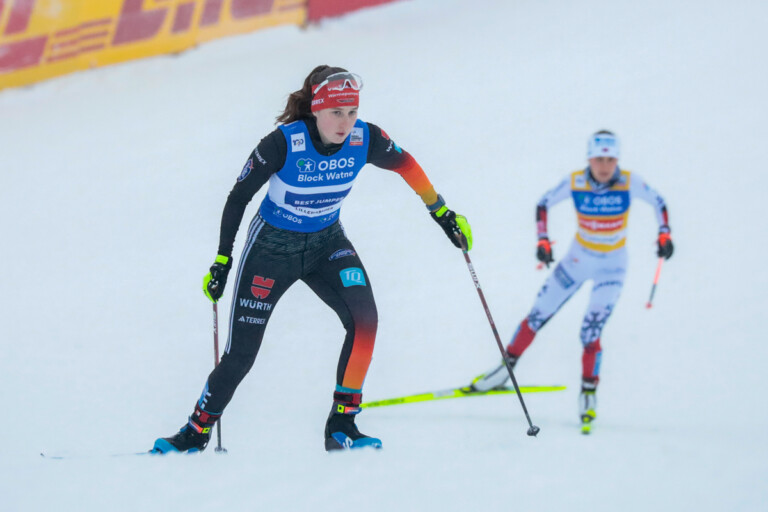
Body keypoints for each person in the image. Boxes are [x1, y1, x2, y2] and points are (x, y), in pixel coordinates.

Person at [151, 65, 472, 453]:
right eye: (336, 112)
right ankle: (195, 432)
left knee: (365, 321)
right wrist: (223, 259)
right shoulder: (283, 143)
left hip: (327, 244)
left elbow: (407, 165)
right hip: (271, 250)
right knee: (242, 355)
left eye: (352, 112)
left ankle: (341, 424)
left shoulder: (365, 138)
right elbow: (238, 197)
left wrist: (441, 212)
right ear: (316, 110)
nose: (345, 122)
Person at [468, 130, 673, 434]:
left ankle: (588, 394)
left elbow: (659, 202)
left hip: (612, 269)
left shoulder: (629, 182)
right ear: (589, 159)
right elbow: (543, 203)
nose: (605, 166)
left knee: (590, 331)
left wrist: (664, 233)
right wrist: (542, 240)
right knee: (538, 314)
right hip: (576, 261)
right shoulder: (576, 181)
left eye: (610, 159)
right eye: (599, 159)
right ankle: (503, 371)